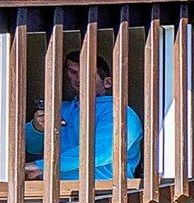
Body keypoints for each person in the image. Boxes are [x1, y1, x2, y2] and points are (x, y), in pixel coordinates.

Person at [25, 44, 142, 183]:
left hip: (106, 193)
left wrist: (43, 166)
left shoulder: (120, 112)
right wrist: (37, 128)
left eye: (86, 71)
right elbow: (31, 148)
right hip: (56, 193)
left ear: (108, 82)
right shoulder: (61, 108)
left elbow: (101, 152)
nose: (79, 78)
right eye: (73, 72)